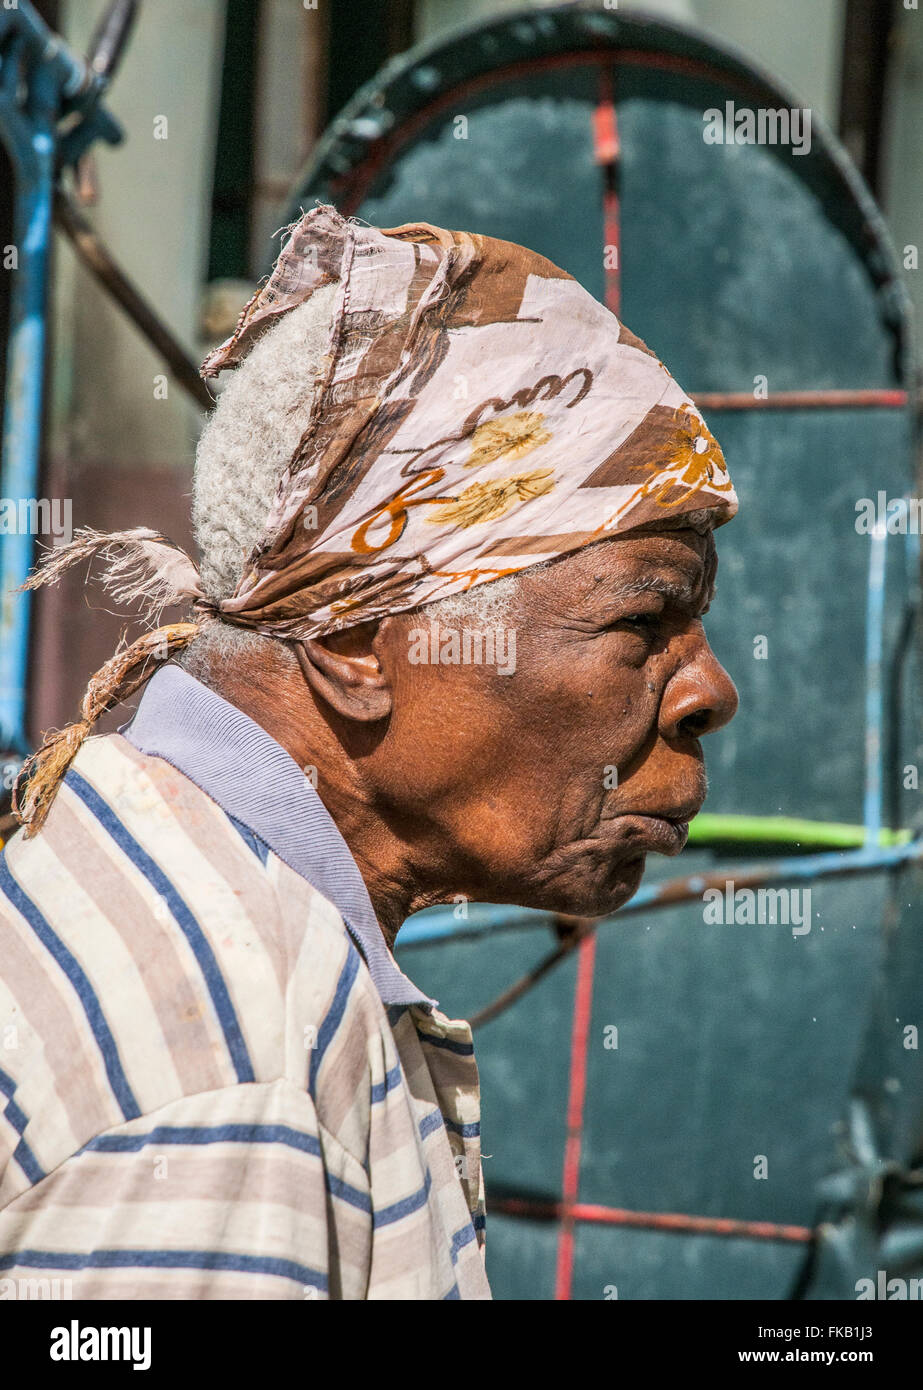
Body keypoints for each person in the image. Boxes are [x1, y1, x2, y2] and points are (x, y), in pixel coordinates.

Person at [0, 205, 738, 1299]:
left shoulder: (146, 875)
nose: (707, 690)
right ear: (355, 643)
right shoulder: (234, 1075)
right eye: (644, 619)